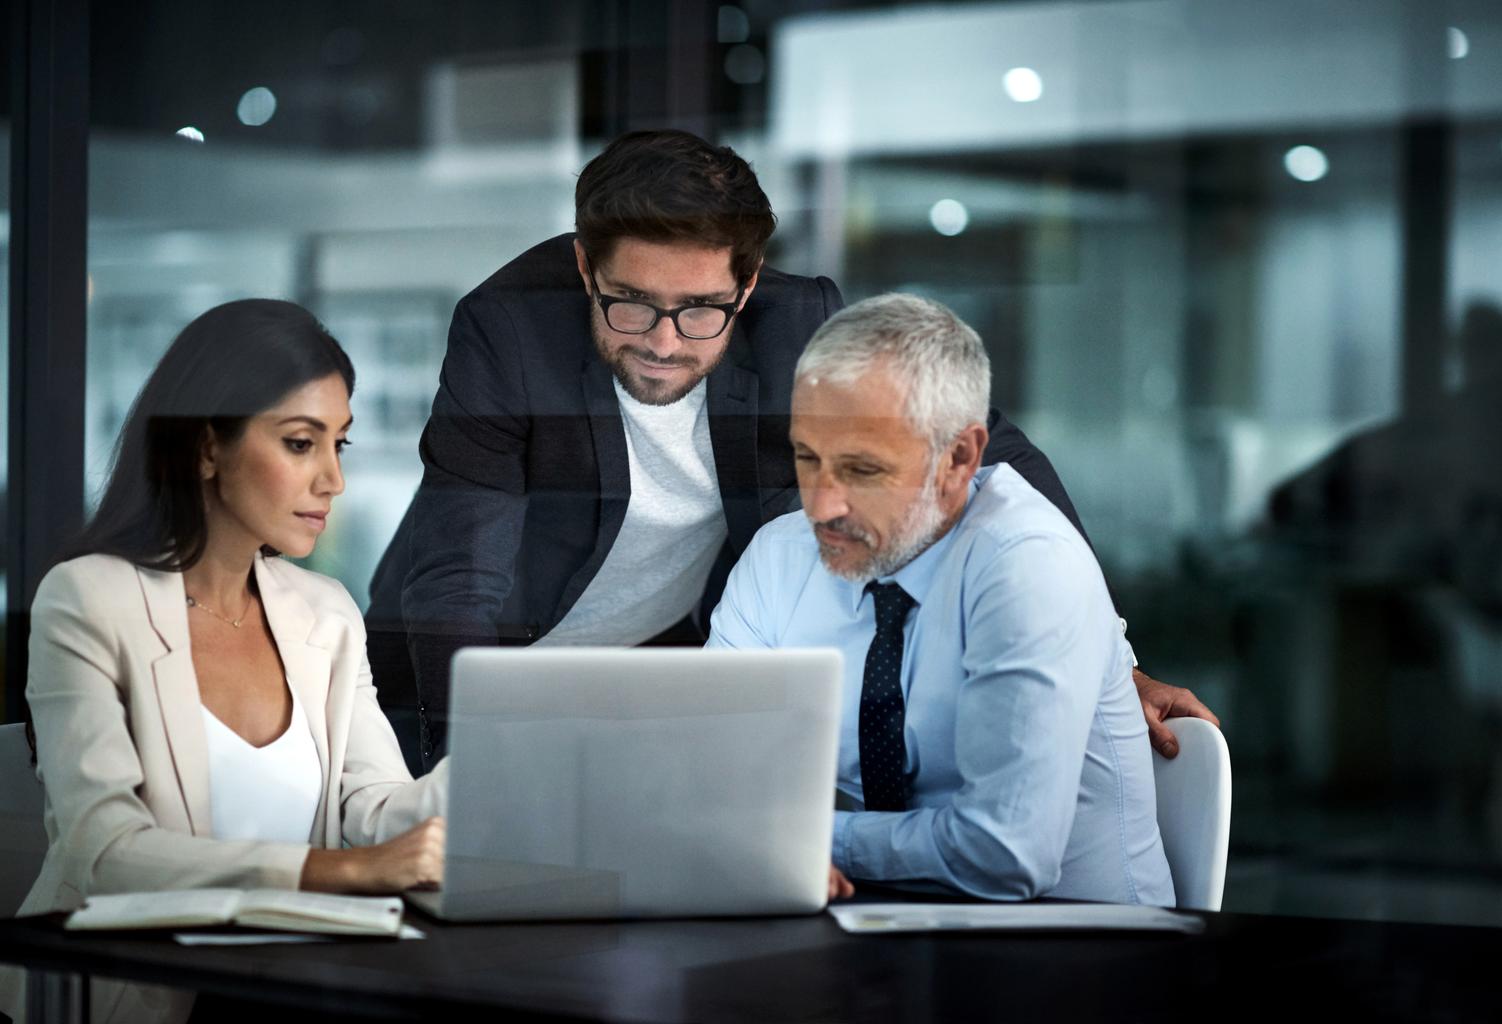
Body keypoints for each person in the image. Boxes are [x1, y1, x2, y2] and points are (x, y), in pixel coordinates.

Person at [365, 128, 1215, 771]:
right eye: (630, 303)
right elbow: (457, 579)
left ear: (749, 279)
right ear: (587, 266)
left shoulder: (799, 325)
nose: (664, 342)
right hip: (466, 682)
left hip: (654, 678)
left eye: (701, 308)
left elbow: (992, 457)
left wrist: (1114, 663)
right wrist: (468, 768)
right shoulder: (507, 327)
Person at [0, 300, 447, 1024]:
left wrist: (501, 763)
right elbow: (104, 850)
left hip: (290, 989)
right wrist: (341, 872)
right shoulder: (88, 598)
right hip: (126, 996)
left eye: (341, 445)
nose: (333, 480)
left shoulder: (325, 612)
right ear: (208, 447)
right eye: (302, 443)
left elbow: (373, 808)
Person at [708, 294, 1174, 903]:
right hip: (878, 939)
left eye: (862, 470)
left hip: (1077, 951)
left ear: (959, 458)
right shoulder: (779, 556)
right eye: (807, 457)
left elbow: (1005, 855)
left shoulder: (1027, 564)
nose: (821, 506)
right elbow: (708, 784)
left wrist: (803, 839)